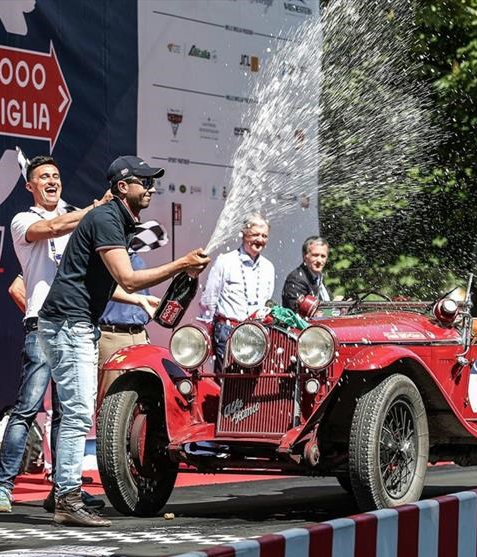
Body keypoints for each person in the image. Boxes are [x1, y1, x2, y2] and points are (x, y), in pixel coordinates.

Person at [37, 155, 209, 526]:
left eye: (151, 181)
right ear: (121, 187)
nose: (150, 187)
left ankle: (63, 494)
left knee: (77, 411)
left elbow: (100, 280)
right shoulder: (105, 218)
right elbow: (128, 277)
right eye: (143, 181)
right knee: (79, 412)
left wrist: (137, 300)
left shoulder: (115, 219)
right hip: (69, 324)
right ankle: (66, 498)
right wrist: (180, 264)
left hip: (73, 322)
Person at [0, 155, 109, 513]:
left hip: (75, 323)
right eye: (43, 177)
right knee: (27, 407)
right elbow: (51, 230)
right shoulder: (23, 219)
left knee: (67, 412)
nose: (52, 181)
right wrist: (93, 209)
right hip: (42, 323)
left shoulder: (76, 216)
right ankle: (3, 488)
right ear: (31, 186)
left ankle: (63, 490)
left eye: (56, 175)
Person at [198, 213, 275, 371]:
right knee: (225, 381)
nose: (260, 240)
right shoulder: (225, 261)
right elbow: (208, 300)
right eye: (255, 234)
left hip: (256, 333)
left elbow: (266, 302)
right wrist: (211, 332)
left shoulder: (268, 267)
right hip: (228, 331)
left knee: (254, 382)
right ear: (244, 234)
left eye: (264, 236)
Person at [98, 251, 158, 393]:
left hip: (139, 335)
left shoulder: (138, 260)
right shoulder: (103, 260)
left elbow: (145, 297)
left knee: (145, 394)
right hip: (111, 335)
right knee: (110, 396)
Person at [282, 236, 331, 311]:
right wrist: (333, 308)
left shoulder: (319, 277)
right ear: (305, 256)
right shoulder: (296, 280)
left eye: (323, 256)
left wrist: (338, 306)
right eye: (315, 255)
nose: (319, 260)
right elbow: (300, 314)